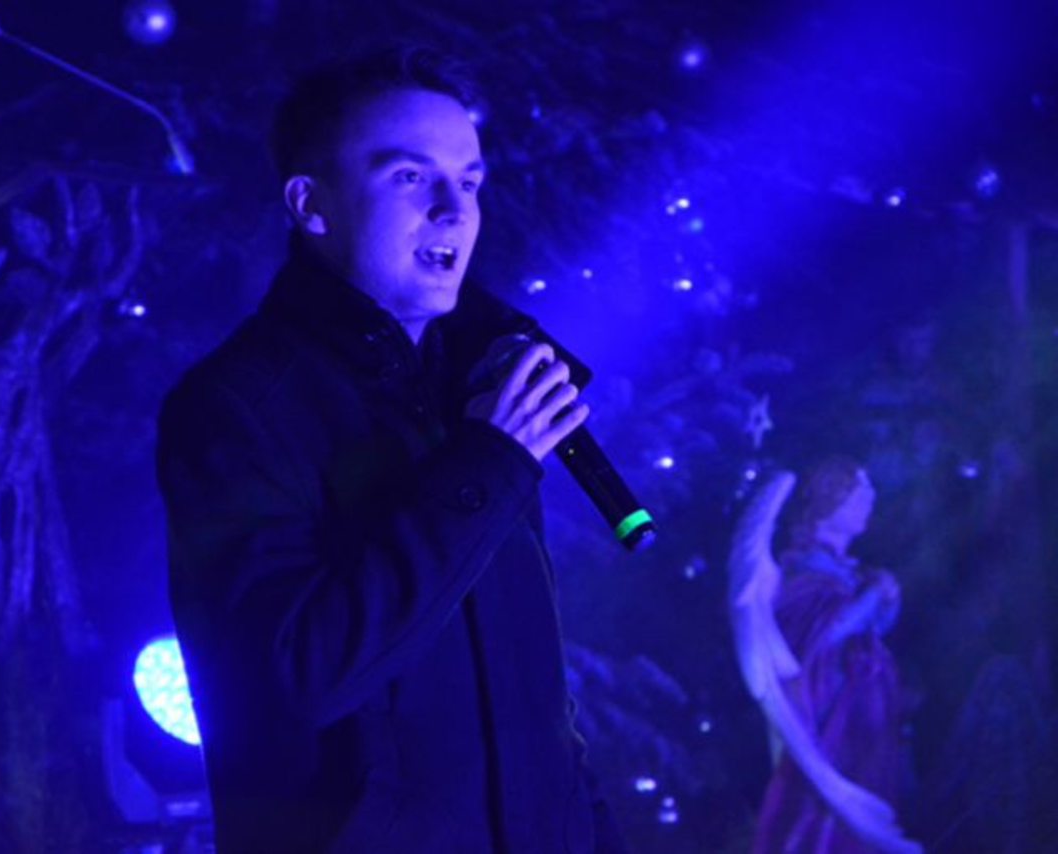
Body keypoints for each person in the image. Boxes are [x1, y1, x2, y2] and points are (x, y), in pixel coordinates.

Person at [156, 46, 627, 854]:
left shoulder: (476, 390)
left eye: (470, 182)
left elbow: (541, 706)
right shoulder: (236, 408)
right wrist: (487, 464)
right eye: (410, 177)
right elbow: (293, 679)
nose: (454, 210)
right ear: (312, 204)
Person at [730, 458, 920, 854]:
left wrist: (884, 599)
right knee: (822, 815)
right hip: (827, 713)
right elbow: (827, 634)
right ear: (831, 501)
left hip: (859, 714)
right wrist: (875, 595)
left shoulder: (843, 572)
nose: (868, 505)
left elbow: (864, 632)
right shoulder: (804, 571)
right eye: (859, 497)